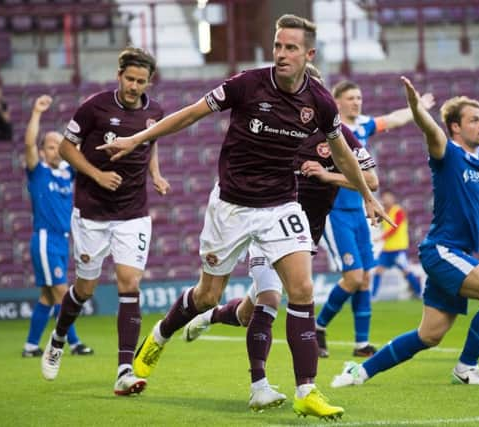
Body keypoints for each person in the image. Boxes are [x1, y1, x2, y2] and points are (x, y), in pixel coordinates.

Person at [99, 15, 390, 419]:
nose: (281, 54)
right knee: (208, 297)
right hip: (232, 206)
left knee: (302, 289)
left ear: (309, 54)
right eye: (277, 46)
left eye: (291, 48)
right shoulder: (247, 84)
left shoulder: (320, 102)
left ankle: (306, 389)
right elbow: (190, 113)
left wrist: (368, 197)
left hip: (280, 206)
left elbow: (342, 152)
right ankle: (161, 335)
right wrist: (138, 138)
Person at [331, 64, 479, 388]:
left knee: (429, 335)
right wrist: (415, 108)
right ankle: (467, 367)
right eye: (474, 120)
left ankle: (359, 372)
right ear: (455, 127)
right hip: (442, 250)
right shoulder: (447, 152)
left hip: (454, 251)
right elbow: (430, 130)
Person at [180, 63, 379, 412]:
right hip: (264, 220)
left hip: (300, 235)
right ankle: (265, 386)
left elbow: (371, 179)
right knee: (270, 300)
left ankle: (209, 317)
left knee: (248, 311)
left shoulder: (339, 136)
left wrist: (328, 177)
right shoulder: (279, 131)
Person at [40, 47, 171, 396]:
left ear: (148, 82)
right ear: (119, 76)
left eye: (141, 81)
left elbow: (151, 141)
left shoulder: (155, 111)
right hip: (92, 211)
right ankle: (58, 337)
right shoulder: (95, 106)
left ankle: (124, 369)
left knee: (129, 283)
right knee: (85, 288)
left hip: (133, 213)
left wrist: (156, 175)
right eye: (129, 79)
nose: (134, 86)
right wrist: (97, 175)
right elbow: (68, 148)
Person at [316, 80, 434, 358]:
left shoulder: (364, 126)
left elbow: (393, 119)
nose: (357, 102)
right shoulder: (327, 130)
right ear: (337, 102)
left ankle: (361, 344)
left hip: (359, 210)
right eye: (351, 98)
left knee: (366, 278)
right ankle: (318, 327)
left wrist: (416, 107)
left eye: (359, 97)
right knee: (354, 277)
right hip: (334, 211)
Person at [22, 95, 93, 358]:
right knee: (63, 294)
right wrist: (37, 112)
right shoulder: (38, 171)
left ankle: (30, 346)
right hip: (45, 239)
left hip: (62, 240)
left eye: (57, 146)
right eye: (50, 146)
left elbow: (78, 154)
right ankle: (73, 344)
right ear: (42, 152)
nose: (55, 149)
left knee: (48, 297)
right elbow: (29, 143)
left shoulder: (66, 172)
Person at [371, 191, 422, 299]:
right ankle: (373, 296)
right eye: (384, 198)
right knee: (378, 271)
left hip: (399, 249)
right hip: (387, 249)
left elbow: (395, 227)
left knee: (406, 271)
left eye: (388, 197)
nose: (385, 200)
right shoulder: (384, 212)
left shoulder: (398, 211)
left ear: (393, 198)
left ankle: (419, 293)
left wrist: (381, 237)